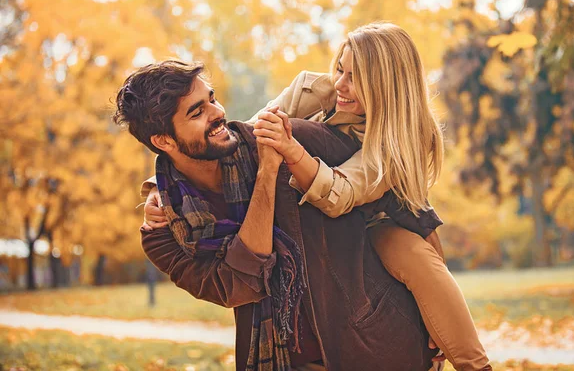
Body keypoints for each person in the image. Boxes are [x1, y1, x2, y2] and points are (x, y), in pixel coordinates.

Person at [114, 59, 440, 370]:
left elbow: (403, 200)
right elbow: (238, 286)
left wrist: (439, 322)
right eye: (197, 112)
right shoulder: (164, 234)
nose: (218, 113)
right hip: (279, 360)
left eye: (211, 99)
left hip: (374, 347)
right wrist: (267, 174)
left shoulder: (289, 141)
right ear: (163, 140)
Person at [250, 22, 491, 371]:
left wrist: (291, 149)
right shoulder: (309, 90)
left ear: (385, 85)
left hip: (383, 219)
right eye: (340, 69)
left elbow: (342, 193)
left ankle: (474, 364)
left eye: (355, 77)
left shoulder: (399, 136)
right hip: (315, 220)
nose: (340, 84)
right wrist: (159, 186)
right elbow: (241, 135)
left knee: (416, 259)